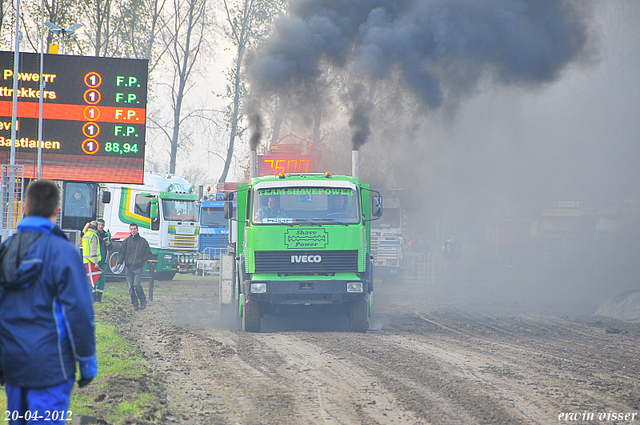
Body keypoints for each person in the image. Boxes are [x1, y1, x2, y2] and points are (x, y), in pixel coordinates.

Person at [0, 179, 97, 425]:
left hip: (13, 365)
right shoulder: (64, 253)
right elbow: (80, 312)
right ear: (57, 210)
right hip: (51, 367)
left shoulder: (5, 250)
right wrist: (86, 362)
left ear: (24, 206)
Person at [116, 223, 153, 311]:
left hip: (138, 267)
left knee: (137, 285)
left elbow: (149, 254)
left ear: (137, 230)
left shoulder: (143, 241)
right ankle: (135, 305)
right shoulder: (126, 242)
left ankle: (143, 300)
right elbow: (121, 253)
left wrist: (141, 260)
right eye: (131, 229)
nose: (133, 231)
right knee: (130, 287)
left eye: (134, 229)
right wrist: (119, 262)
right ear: (130, 230)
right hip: (128, 267)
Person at [82, 220, 101, 302]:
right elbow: (94, 250)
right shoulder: (93, 235)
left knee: (87, 280)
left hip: (86, 261)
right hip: (91, 261)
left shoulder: (86, 234)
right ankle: (90, 299)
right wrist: (96, 262)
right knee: (92, 281)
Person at [95, 219, 112, 303]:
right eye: (99, 225)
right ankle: (93, 297)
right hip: (95, 260)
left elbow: (111, 247)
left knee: (102, 279)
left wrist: (109, 244)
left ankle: (99, 298)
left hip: (104, 260)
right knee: (95, 278)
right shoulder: (94, 234)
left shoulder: (107, 234)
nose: (101, 226)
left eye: (102, 225)